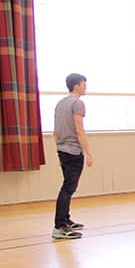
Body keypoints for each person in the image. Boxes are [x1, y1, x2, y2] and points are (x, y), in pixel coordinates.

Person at [52, 73, 93, 240]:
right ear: (76, 86)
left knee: (68, 187)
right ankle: (59, 226)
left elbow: (56, 131)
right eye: (84, 84)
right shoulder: (78, 103)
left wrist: (59, 150)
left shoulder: (60, 103)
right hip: (73, 151)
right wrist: (88, 153)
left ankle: (66, 220)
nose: (86, 87)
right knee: (68, 188)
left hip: (62, 149)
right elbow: (79, 130)